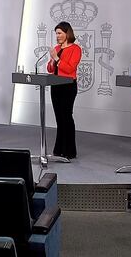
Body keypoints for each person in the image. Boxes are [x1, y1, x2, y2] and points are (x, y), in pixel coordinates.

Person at [47, 21, 82, 159]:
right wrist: (51, 61)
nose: (57, 36)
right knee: (58, 118)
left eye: (60, 33)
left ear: (67, 33)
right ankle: (59, 149)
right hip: (56, 86)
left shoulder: (76, 49)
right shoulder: (57, 48)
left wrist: (57, 58)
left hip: (68, 86)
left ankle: (69, 151)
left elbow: (70, 68)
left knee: (66, 116)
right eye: (56, 33)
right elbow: (50, 69)